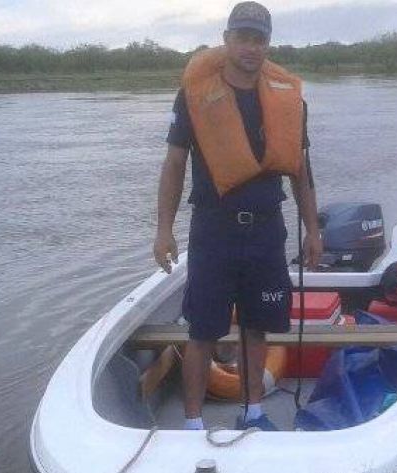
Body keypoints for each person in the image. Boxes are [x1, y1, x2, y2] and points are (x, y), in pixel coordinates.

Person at [153, 1, 322, 431]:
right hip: (214, 231)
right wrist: (163, 230)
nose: (251, 47)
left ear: (268, 44)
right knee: (202, 330)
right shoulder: (193, 96)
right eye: (242, 37)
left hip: (266, 230)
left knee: (256, 326)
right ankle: (192, 424)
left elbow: (301, 172)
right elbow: (174, 164)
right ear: (226, 40)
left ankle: (254, 412)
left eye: (259, 39)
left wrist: (314, 231)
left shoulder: (288, 99)